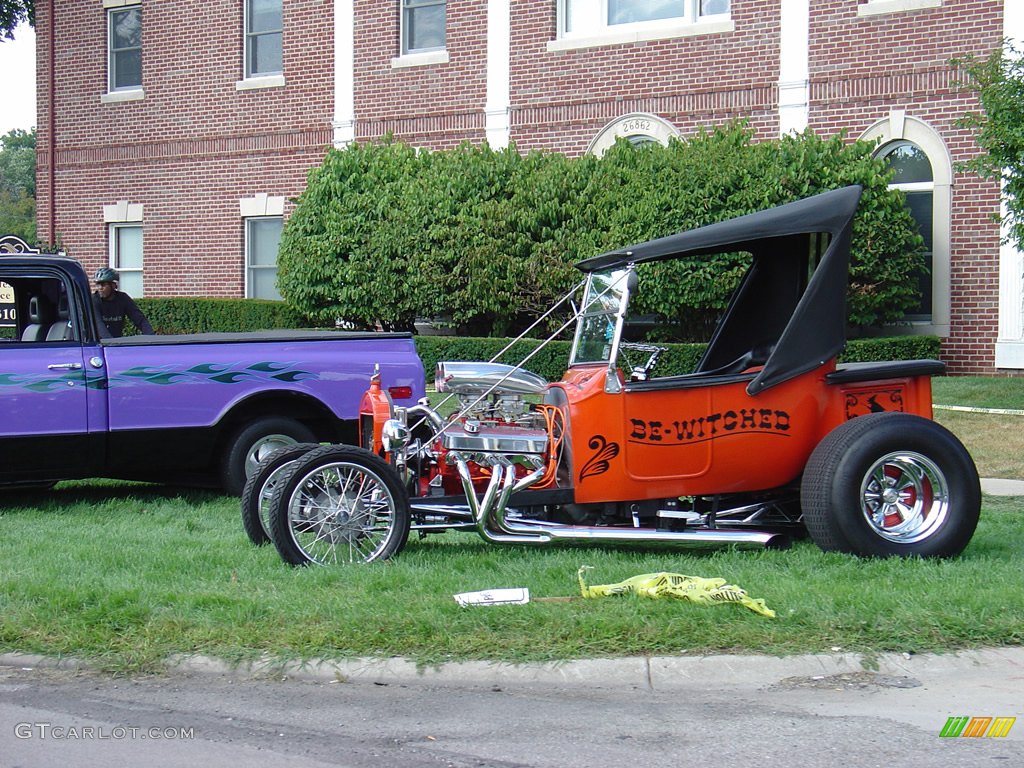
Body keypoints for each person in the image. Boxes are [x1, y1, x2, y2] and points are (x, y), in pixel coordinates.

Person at [92, 267, 154, 337]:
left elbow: (140, 320)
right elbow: (99, 325)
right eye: (98, 284)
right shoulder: (94, 301)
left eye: (103, 284)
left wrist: (151, 337)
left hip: (116, 340)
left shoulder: (123, 299)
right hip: (96, 343)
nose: (100, 288)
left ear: (113, 285)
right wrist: (110, 343)